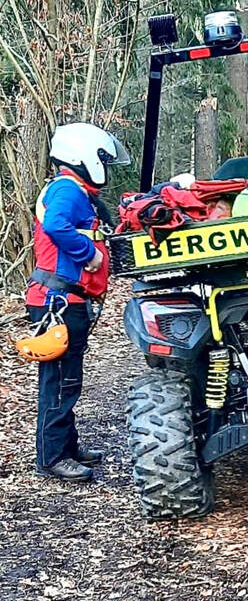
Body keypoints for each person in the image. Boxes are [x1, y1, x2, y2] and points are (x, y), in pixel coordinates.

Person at [25, 122, 129, 482]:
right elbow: (55, 226)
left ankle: (66, 445)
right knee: (59, 380)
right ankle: (52, 456)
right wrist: (89, 254)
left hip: (69, 300)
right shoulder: (67, 191)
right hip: (58, 302)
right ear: (84, 155)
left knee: (69, 378)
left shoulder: (75, 192)